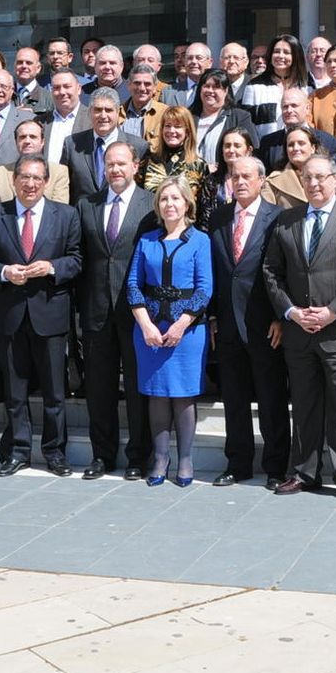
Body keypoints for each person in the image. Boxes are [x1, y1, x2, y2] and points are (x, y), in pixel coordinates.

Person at [265, 154, 336, 503]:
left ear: (335, 179)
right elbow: (272, 272)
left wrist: (332, 311)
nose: (313, 184)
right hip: (299, 332)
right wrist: (290, 312)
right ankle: (304, 472)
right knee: (304, 406)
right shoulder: (287, 220)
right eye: (307, 178)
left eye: (320, 177)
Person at [0, 155, 82, 478]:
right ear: (14, 180)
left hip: (50, 315)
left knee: (54, 392)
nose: (30, 184)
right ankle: (19, 451)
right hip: (10, 316)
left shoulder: (66, 215)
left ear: (46, 182)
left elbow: (76, 260)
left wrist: (51, 267)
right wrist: (5, 272)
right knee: (15, 391)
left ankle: (54, 452)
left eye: (37, 178)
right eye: (24, 177)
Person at [78, 142, 157, 480]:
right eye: (110, 164)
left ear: (135, 166)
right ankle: (102, 455)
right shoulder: (87, 204)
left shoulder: (151, 204)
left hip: (138, 313)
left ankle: (139, 456)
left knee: (138, 387)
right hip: (96, 310)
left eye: (122, 164)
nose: (115, 170)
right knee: (99, 388)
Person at [209, 155, 289, 489]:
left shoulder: (278, 218)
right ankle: (238, 463)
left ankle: (276, 466)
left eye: (247, 176)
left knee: (271, 399)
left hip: (265, 324)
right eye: (235, 176)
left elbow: (285, 270)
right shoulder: (218, 218)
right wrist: (213, 315)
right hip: (228, 324)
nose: (240, 182)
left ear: (261, 181)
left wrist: (281, 316)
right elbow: (215, 270)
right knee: (234, 400)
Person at [126, 176, 212, 486]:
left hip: (188, 332)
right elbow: (133, 284)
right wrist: (145, 324)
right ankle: (161, 458)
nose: (169, 204)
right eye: (164, 199)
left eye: (175, 198)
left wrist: (181, 324)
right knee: (157, 395)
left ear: (187, 203)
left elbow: (204, 288)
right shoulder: (147, 240)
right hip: (149, 331)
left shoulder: (201, 240)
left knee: (183, 395)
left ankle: (185, 459)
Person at [65, 87, 148, 201]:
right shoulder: (72, 144)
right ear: (90, 112)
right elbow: (66, 188)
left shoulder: (139, 146)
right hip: (82, 211)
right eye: (98, 110)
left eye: (108, 110)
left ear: (118, 112)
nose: (103, 116)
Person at [138, 105, 212, 221]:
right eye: (167, 126)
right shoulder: (149, 160)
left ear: (187, 131)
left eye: (177, 126)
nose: (171, 131)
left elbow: (205, 207)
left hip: (185, 227)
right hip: (150, 225)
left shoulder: (199, 165)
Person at [256, 86, 336, 172]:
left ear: (307, 108)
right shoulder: (268, 144)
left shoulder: (329, 142)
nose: (289, 110)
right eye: (285, 106)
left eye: (294, 105)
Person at [241, 33, 307, 140]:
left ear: (296, 56)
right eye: (276, 52)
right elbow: (247, 125)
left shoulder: (305, 86)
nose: (280, 56)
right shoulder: (254, 87)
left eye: (286, 52)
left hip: (299, 145)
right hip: (265, 147)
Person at [0, 119, 71, 204]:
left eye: (33, 137)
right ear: (16, 141)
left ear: (42, 142)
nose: (27, 141)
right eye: (22, 137)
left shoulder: (59, 172)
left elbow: (60, 209)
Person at [190, 70, 258, 164]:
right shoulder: (189, 117)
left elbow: (253, 150)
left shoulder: (239, 117)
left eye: (216, 87)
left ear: (226, 91)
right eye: (206, 86)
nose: (210, 90)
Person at [260, 125, 319, 209]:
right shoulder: (272, 182)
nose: (296, 148)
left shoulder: (329, 176)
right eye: (291, 145)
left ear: (313, 148)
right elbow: (266, 213)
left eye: (301, 143)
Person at [41, 69, 90, 165]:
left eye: (67, 86)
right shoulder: (41, 122)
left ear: (79, 89)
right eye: (56, 88)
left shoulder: (92, 119)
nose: (62, 92)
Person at [121, 62, 168, 147]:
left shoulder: (165, 113)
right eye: (137, 83)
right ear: (128, 85)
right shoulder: (117, 113)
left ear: (155, 87)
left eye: (147, 84)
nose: (142, 88)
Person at [11, 46, 55, 113]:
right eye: (20, 62)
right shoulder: (4, 95)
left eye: (29, 63)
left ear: (38, 68)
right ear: (14, 66)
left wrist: (33, 117)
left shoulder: (50, 99)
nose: (24, 66)